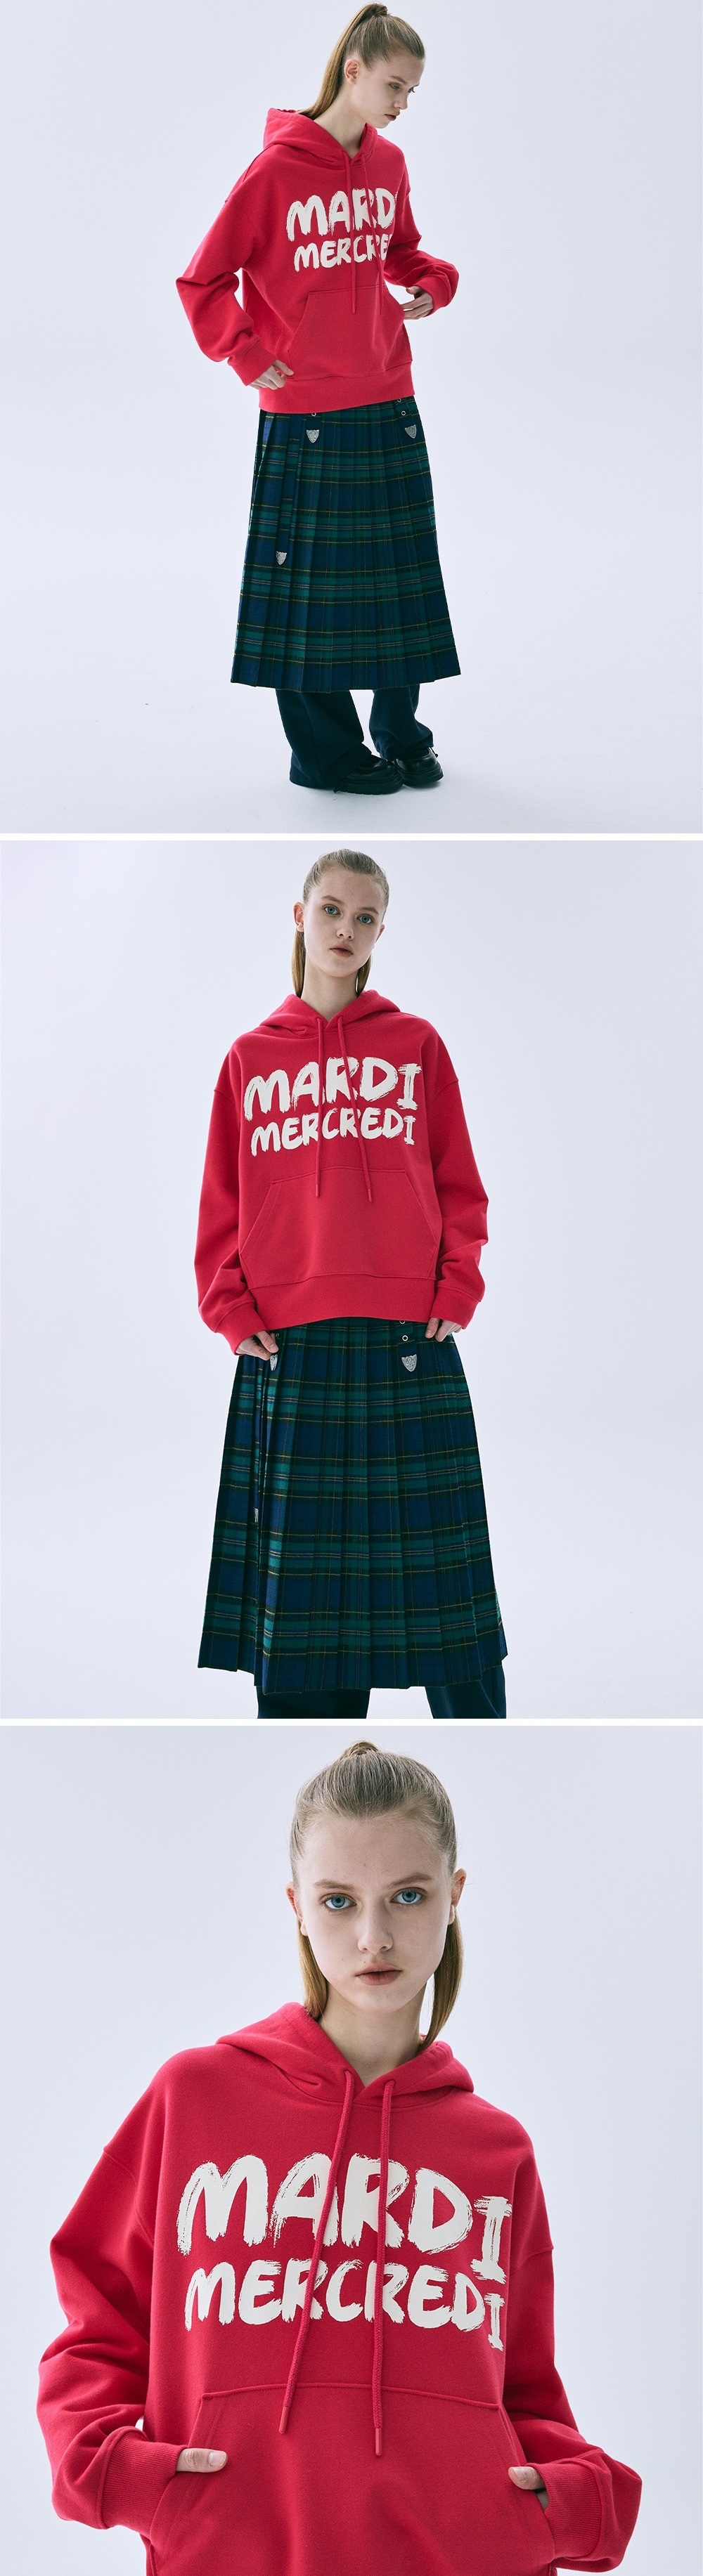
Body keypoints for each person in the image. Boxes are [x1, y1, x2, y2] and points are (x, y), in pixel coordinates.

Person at [37, 1740, 642, 2576]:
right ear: (296, 1906)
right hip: (231, 2554)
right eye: (337, 1901)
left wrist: (565, 2507)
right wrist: (117, 2475)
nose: (372, 1936)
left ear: (455, 1896)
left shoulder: (495, 2151)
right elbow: (98, 2319)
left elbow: (521, 2391)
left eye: (407, 1895)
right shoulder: (194, 2099)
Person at [195, 847, 506, 1719]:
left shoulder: (415, 1046)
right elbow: (221, 1199)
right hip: (288, 1350)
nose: (345, 929)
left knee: (454, 1622)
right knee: (303, 1640)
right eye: (331, 910)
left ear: (380, 933)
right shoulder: (250, 1058)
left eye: (365, 917)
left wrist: (456, 1287)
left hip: (409, 1338)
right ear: (301, 917)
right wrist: (229, 1307)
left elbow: (459, 1183)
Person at [176, 8, 460, 796]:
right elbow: (203, 278)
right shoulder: (274, 172)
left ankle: (400, 735)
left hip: (386, 391)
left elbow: (400, 249)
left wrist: (433, 281)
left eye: (412, 91)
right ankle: (327, 756)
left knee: (400, 581)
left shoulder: (390, 162)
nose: (403, 103)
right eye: (395, 85)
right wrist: (244, 351)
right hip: (302, 408)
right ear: (353, 71)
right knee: (306, 597)